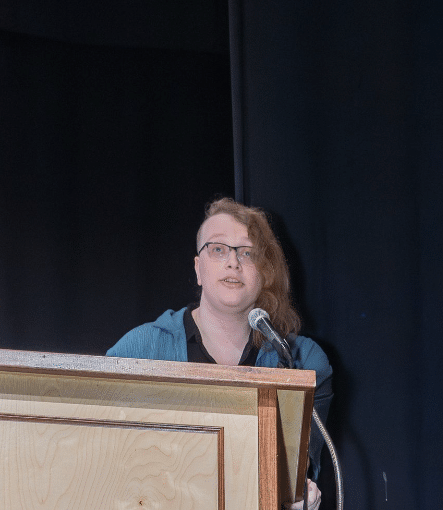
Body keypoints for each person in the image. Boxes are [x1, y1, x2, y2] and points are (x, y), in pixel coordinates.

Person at [107, 197, 332, 510]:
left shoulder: (305, 362)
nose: (233, 263)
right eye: (218, 249)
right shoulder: (139, 350)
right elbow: (105, 458)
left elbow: (298, 470)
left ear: (265, 273)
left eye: (248, 253)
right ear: (199, 269)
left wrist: (299, 494)